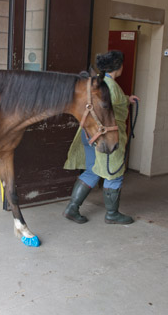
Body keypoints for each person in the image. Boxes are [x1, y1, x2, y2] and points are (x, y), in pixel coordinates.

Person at [63, 50, 139, 224]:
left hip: (89, 133)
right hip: (106, 135)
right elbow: (110, 104)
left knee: (91, 170)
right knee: (114, 173)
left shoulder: (98, 82)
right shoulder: (110, 86)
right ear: (118, 66)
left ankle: (72, 208)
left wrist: (127, 99)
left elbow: (109, 102)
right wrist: (125, 100)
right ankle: (112, 214)